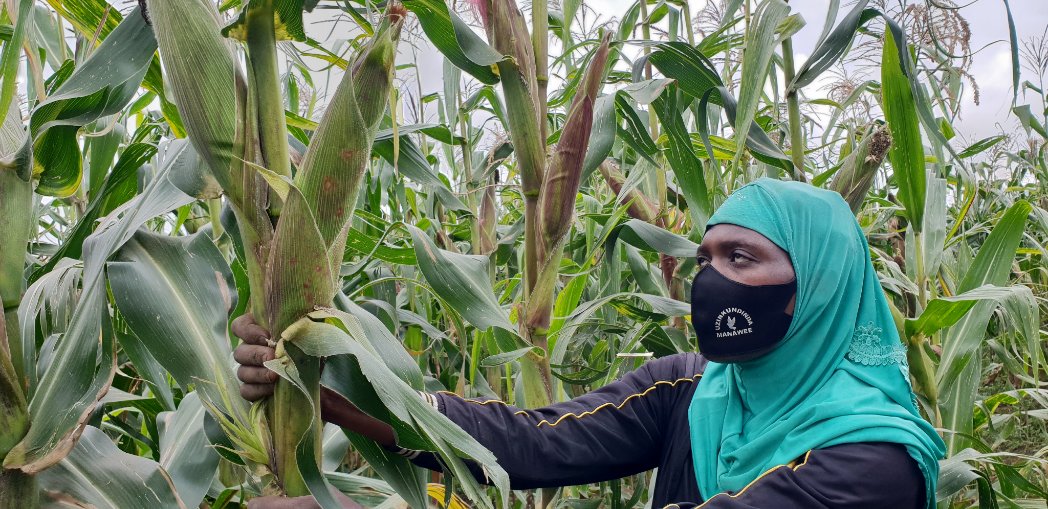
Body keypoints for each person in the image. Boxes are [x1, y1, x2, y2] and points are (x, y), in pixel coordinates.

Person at [234, 178, 946, 508]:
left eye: (741, 259)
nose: (710, 280)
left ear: (817, 288)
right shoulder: (690, 389)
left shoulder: (873, 462)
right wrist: (341, 387)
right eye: (704, 258)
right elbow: (531, 440)